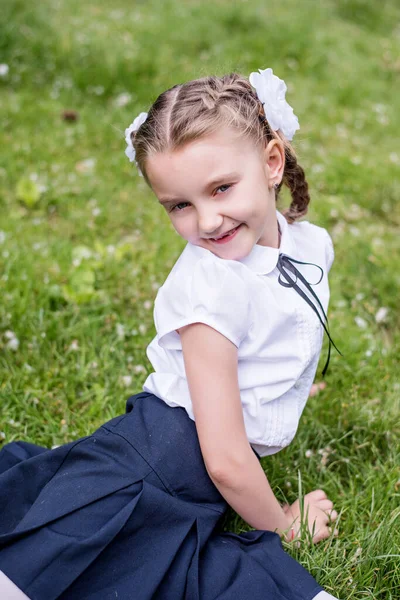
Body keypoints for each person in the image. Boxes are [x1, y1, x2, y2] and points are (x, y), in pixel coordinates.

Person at [0, 67, 341, 599]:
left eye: (221, 188)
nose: (206, 222)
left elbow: (280, 330)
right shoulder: (211, 289)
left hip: (191, 476)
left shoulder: (311, 246)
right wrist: (284, 524)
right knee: (60, 572)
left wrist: (278, 390)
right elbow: (227, 462)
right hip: (153, 473)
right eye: (180, 206)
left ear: (272, 161)